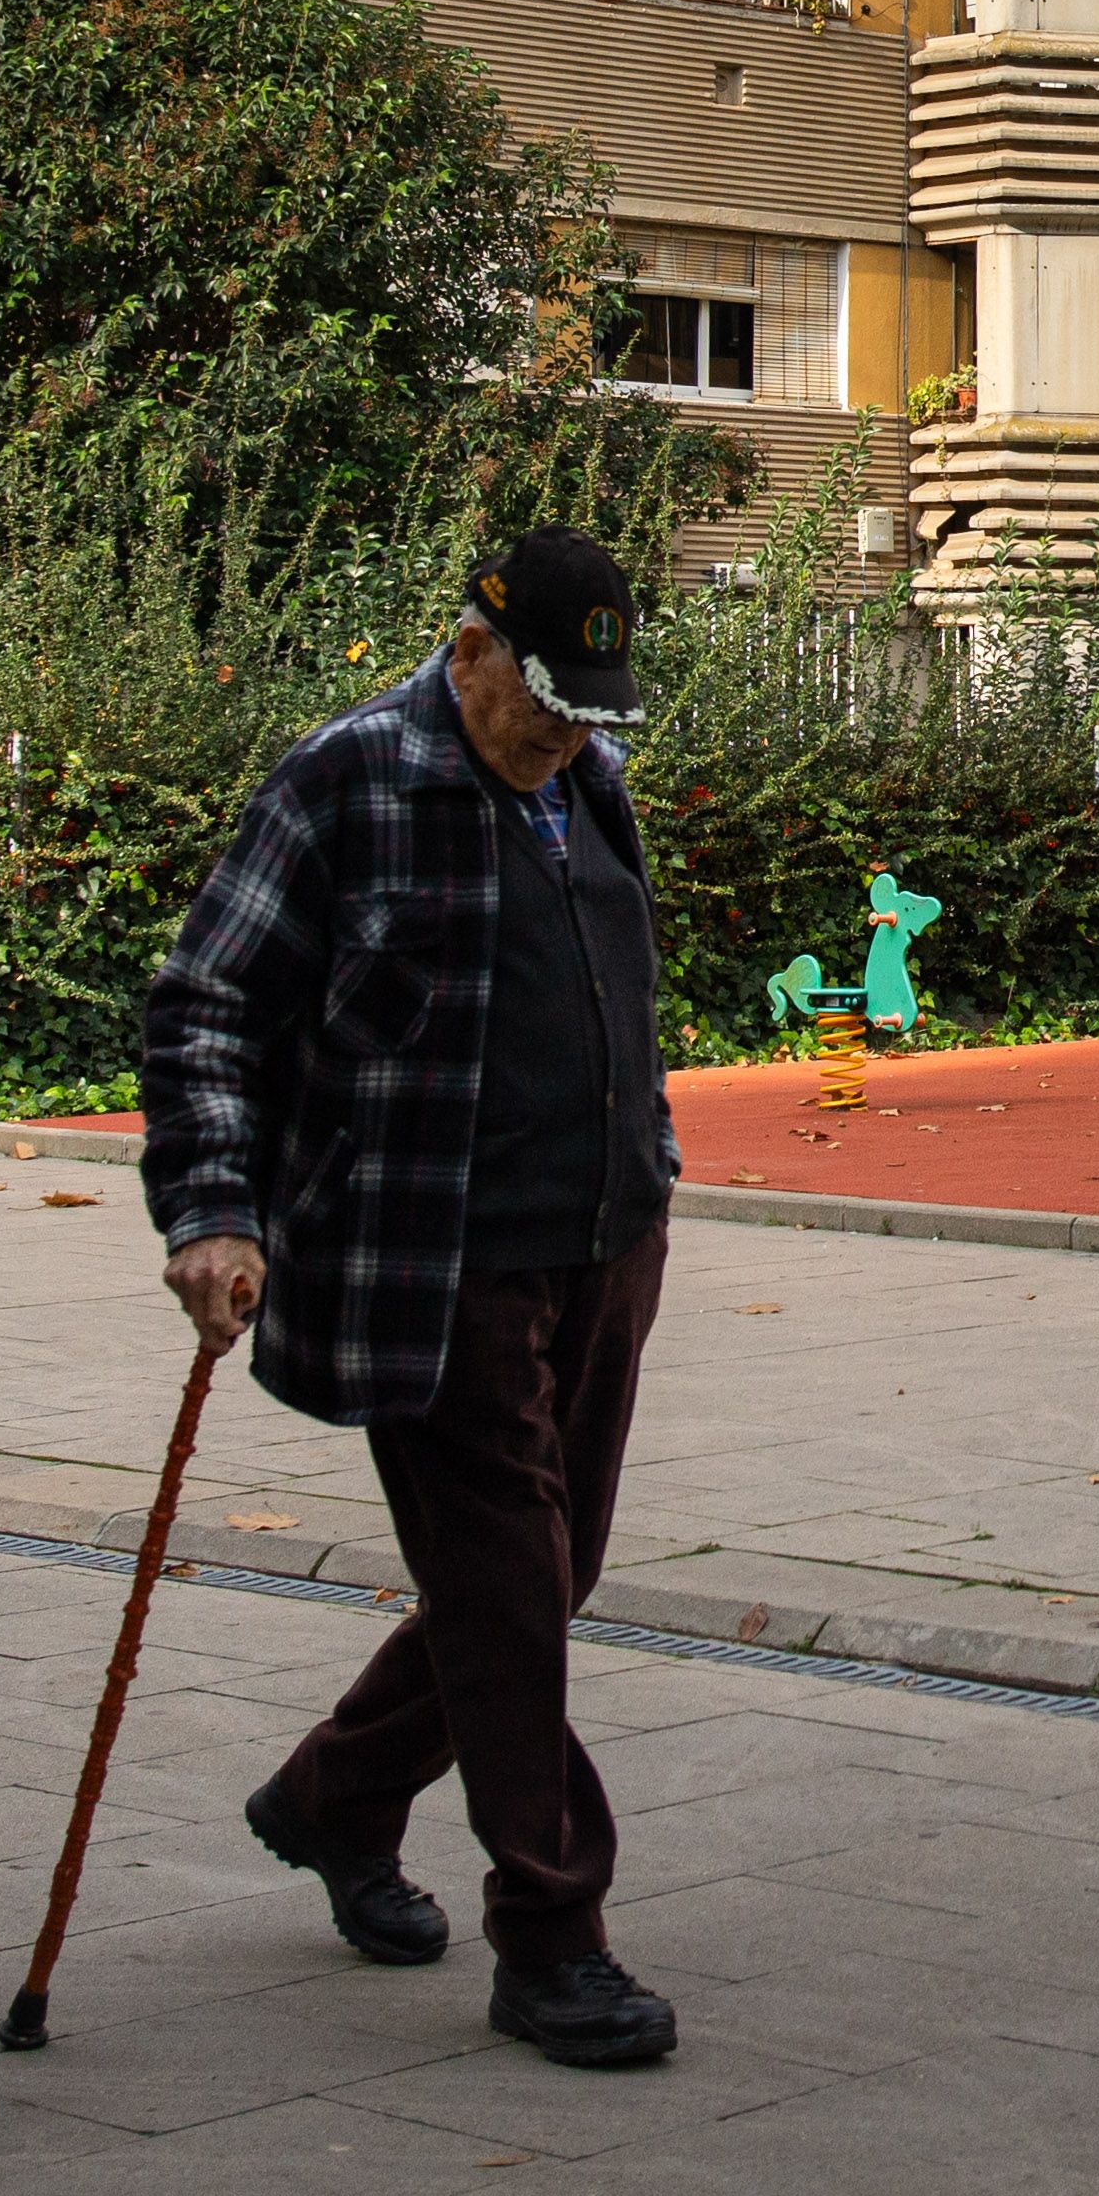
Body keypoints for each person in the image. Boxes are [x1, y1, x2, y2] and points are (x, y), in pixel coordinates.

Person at [139, 527, 686, 2070]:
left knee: (543, 1571)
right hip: (428, 1257)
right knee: (512, 1586)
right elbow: (204, 1008)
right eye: (544, 705)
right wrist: (212, 1209)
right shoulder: (346, 781)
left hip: (600, 1239)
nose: (568, 735)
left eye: (593, 710)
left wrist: (647, 1149)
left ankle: (332, 1797)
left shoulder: (585, 778)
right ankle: (553, 1932)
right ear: (467, 656)